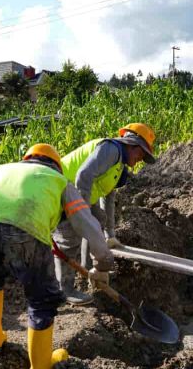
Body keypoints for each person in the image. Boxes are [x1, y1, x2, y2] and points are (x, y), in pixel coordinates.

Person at [0, 143, 114, 369]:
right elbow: (86, 223)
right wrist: (103, 261)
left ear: (27, 160)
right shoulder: (58, 180)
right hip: (24, 231)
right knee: (41, 298)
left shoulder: (3, 169)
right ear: (56, 165)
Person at [54, 123, 156, 305]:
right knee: (69, 239)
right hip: (61, 188)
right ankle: (64, 289)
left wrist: (110, 235)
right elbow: (83, 175)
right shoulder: (111, 149)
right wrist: (82, 212)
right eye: (141, 154)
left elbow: (108, 198)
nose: (140, 159)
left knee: (98, 218)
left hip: (77, 194)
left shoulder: (119, 168)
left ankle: (87, 269)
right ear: (132, 144)